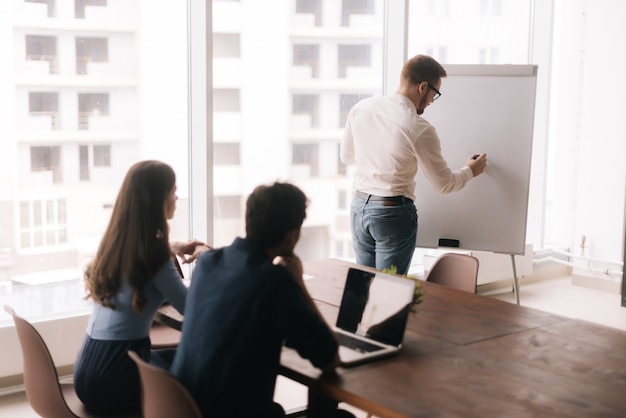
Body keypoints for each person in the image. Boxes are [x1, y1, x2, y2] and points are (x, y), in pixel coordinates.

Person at [171, 182, 354, 418]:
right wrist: (298, 283)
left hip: (187, 407)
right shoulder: (273, 281)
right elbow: (329, 358)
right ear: (291, 237)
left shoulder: (207, 263)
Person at [74, 160, 209, 415]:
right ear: (158, 199)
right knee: (203, 370)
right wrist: (205, 264)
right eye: (173, 191)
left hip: (87, 370)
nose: (176, 197)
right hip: (116, 376)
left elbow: (143, 258)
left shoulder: (115, 242)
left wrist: (172, 246)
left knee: (184, 359)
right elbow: (191, 309)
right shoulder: (154, 253)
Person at [340, 54, 487, 275]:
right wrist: (469, 171)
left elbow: (347, 157)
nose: (430, 102)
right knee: (390, 291)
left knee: (362, 287)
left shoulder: (362, 108)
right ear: (423, 87)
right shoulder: (418, 127)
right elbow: (444, 185)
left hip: (358, 208)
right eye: (434, 94)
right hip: (392, 213)